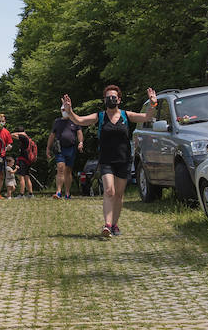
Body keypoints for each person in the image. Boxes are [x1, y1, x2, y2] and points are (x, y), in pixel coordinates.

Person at [61, 85, 157, 237]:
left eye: (113, 97)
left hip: (123, 160)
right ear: (104, 100)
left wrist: (153, 103)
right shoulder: (100, 117)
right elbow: (79, 120)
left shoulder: (126, 115)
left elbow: (147, 117)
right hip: (106, 160)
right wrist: (69, 110)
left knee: (118, 194)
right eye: (108, 97)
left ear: (119, 100)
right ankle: (107, 225)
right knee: (109, 191)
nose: (110, 99)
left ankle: (114, 225)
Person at [46, 108, 85, 198]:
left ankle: (67, 193)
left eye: (65, 109)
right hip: (60, 148)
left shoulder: (75, 120)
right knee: (60, 168)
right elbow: (52, 135)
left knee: (68, 170)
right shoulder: (57, 121)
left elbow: (79, 132)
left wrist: (81, 142)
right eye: (62, 110)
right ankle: (58, 192)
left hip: (71, 148)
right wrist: (48, 148)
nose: (64, 111)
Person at [11, 128, 37, 196]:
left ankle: (21, 194)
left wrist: (20, 133)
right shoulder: (29, 138)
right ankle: (30, 194)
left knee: (21, 177)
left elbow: (12, 135)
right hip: (28, 161)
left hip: (23, 161)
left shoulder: (23, 137)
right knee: (27, 177)